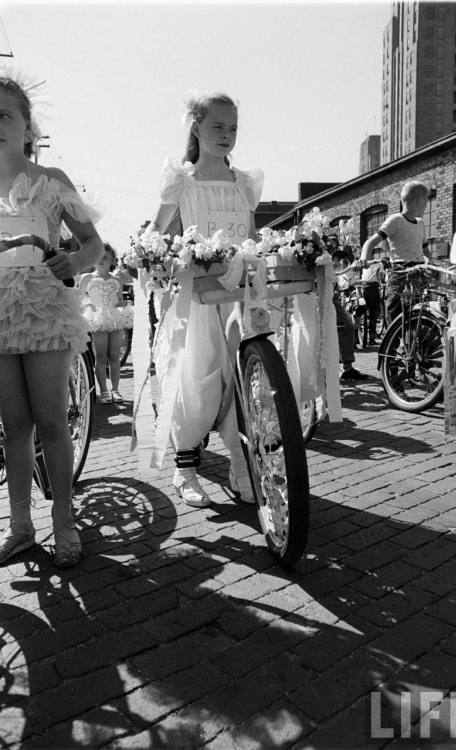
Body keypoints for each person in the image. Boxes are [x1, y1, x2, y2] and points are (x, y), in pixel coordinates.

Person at [0, 70, 104, 567]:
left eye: (5, 114)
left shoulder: (52, 182)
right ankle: (21, 527)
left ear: (27, 127)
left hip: (45, 313)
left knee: (50, 421)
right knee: (13, 425)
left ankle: (64, 519)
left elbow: (93, 244)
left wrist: (74, 261)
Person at [146, 91, 263, 507]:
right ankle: (186, 466)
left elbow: (249, 239)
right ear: (196, 127)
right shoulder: (182, 181)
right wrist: (163, 257)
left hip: (240, 299)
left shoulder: (244, 184)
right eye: (218, 126)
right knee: (197, 377)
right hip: (197, 298)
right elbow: (157, 234)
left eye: (233, 128)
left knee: (242, 378)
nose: (227, 135)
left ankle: (239, 459)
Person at [361, 180, 430, 324]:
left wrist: (433, 265)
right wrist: (364, 258)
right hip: (400, 272)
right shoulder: (396, 220)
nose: (427, 204)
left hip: (419, 273)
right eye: (426, 200)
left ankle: (412, 344)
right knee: (395, 315)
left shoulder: (421, 223)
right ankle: (393, 344)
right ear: (418, 201)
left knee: (418, 315)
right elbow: (371, 241)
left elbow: (425, 251)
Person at [78, 242, 133, 403]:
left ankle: (116, 390)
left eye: (106, 257)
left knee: (115, 355)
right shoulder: (88, 277)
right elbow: (80, 297)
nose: (101, 260)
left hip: (114, 318)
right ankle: (103, 391)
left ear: (112, 261)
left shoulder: (116, 279)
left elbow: (120, 299)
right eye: (99, 257)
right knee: (101, 356)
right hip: (98, 318)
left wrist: (121, 307)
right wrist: (88, 306)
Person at [329, 233, 368, 381]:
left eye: (334, 243)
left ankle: (347, 367)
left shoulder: (334, 261)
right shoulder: (321, 259)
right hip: (319, 298)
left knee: (348, 326)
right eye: (331, 243)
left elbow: (339, 271)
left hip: (333, 298)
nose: (333, 246)